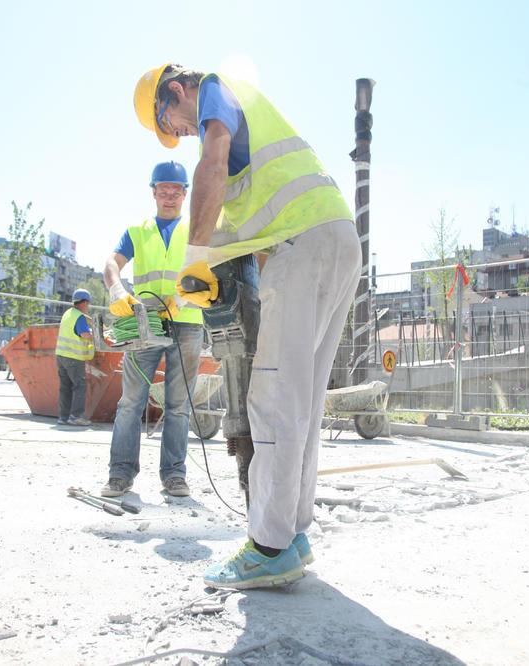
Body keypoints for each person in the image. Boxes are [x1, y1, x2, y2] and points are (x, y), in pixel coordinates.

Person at [134, 63, 361, 589]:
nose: (181, 135)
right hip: (334, 240)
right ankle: (292, 534)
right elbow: (251, 217)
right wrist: (215, 270)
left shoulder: (215, 87)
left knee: (274, 397)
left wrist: (193, 257)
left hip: (304, 247)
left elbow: (210, 166)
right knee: (298, 401)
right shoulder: (250, 125)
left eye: (172, 122)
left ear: (176, 89)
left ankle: (268, 546)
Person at [101, 161, 205, 499]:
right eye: (164, 190)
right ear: (154, 192)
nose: (170, 196)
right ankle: (120, 475)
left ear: (185, 193)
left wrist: (181, 296)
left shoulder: (197, 230)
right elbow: (111, 264)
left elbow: (209, 272)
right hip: (146, 323)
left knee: (178, 405)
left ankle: (174, 476)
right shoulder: (137, 231)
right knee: (130, 401)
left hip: (187, 323)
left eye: (177, 191)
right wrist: (117, 290)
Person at [55, 288, 94, 426]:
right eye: (88, 304)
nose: (88, 306)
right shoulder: (79, 316)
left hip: (60, 356)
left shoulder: (67, 313)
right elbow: (84, 334)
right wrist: (96, 336)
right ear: (83, 303)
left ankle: (63, 417)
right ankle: (76, 416)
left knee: (65, 387)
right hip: (73, 356)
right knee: (79, 385)